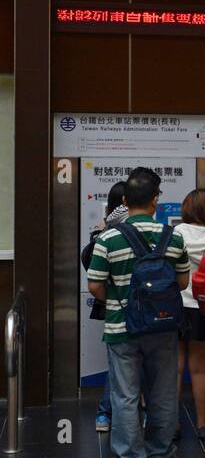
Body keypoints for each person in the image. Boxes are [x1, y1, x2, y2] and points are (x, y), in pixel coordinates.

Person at [87, 167, 191, 458]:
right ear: (155, 201)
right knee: (162, 392)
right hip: (163, 327)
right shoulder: (173, 236)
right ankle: (160, 454)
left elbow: (94, 285)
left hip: (122, 328)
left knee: (125, 395)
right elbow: (183, 282)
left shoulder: (108, 238)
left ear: (125, 200)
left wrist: (120, 300)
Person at [81, 179, 129, 433]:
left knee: (117, 362)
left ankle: (105, 414)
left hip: (112, 304)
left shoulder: (103, 230)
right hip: (136, 304)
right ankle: (119, 414)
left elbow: (93, 273)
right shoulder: (127, 227)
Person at [176, 189, 205, 439]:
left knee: (174, 366)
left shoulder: (176, 233)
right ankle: (203, 425)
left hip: (177, 305)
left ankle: (170, 425)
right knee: (201, 368)